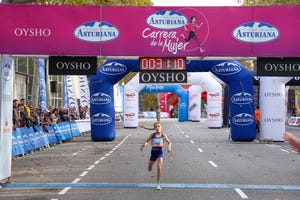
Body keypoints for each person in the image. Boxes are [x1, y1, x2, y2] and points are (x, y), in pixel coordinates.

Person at [140, 121, 172, 190]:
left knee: (159, 167)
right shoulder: (152, 135)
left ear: (161, 127)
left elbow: (169, 142)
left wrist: (169, 147)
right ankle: (150, 167)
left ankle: (158, 184)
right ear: (154, 128)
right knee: (149, 169)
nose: (157, 128)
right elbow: (147, 141)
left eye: (158, 126)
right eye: (156, 127)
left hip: (159, 153)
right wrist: (144, 145)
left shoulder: (163, 135)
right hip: (153, 153)